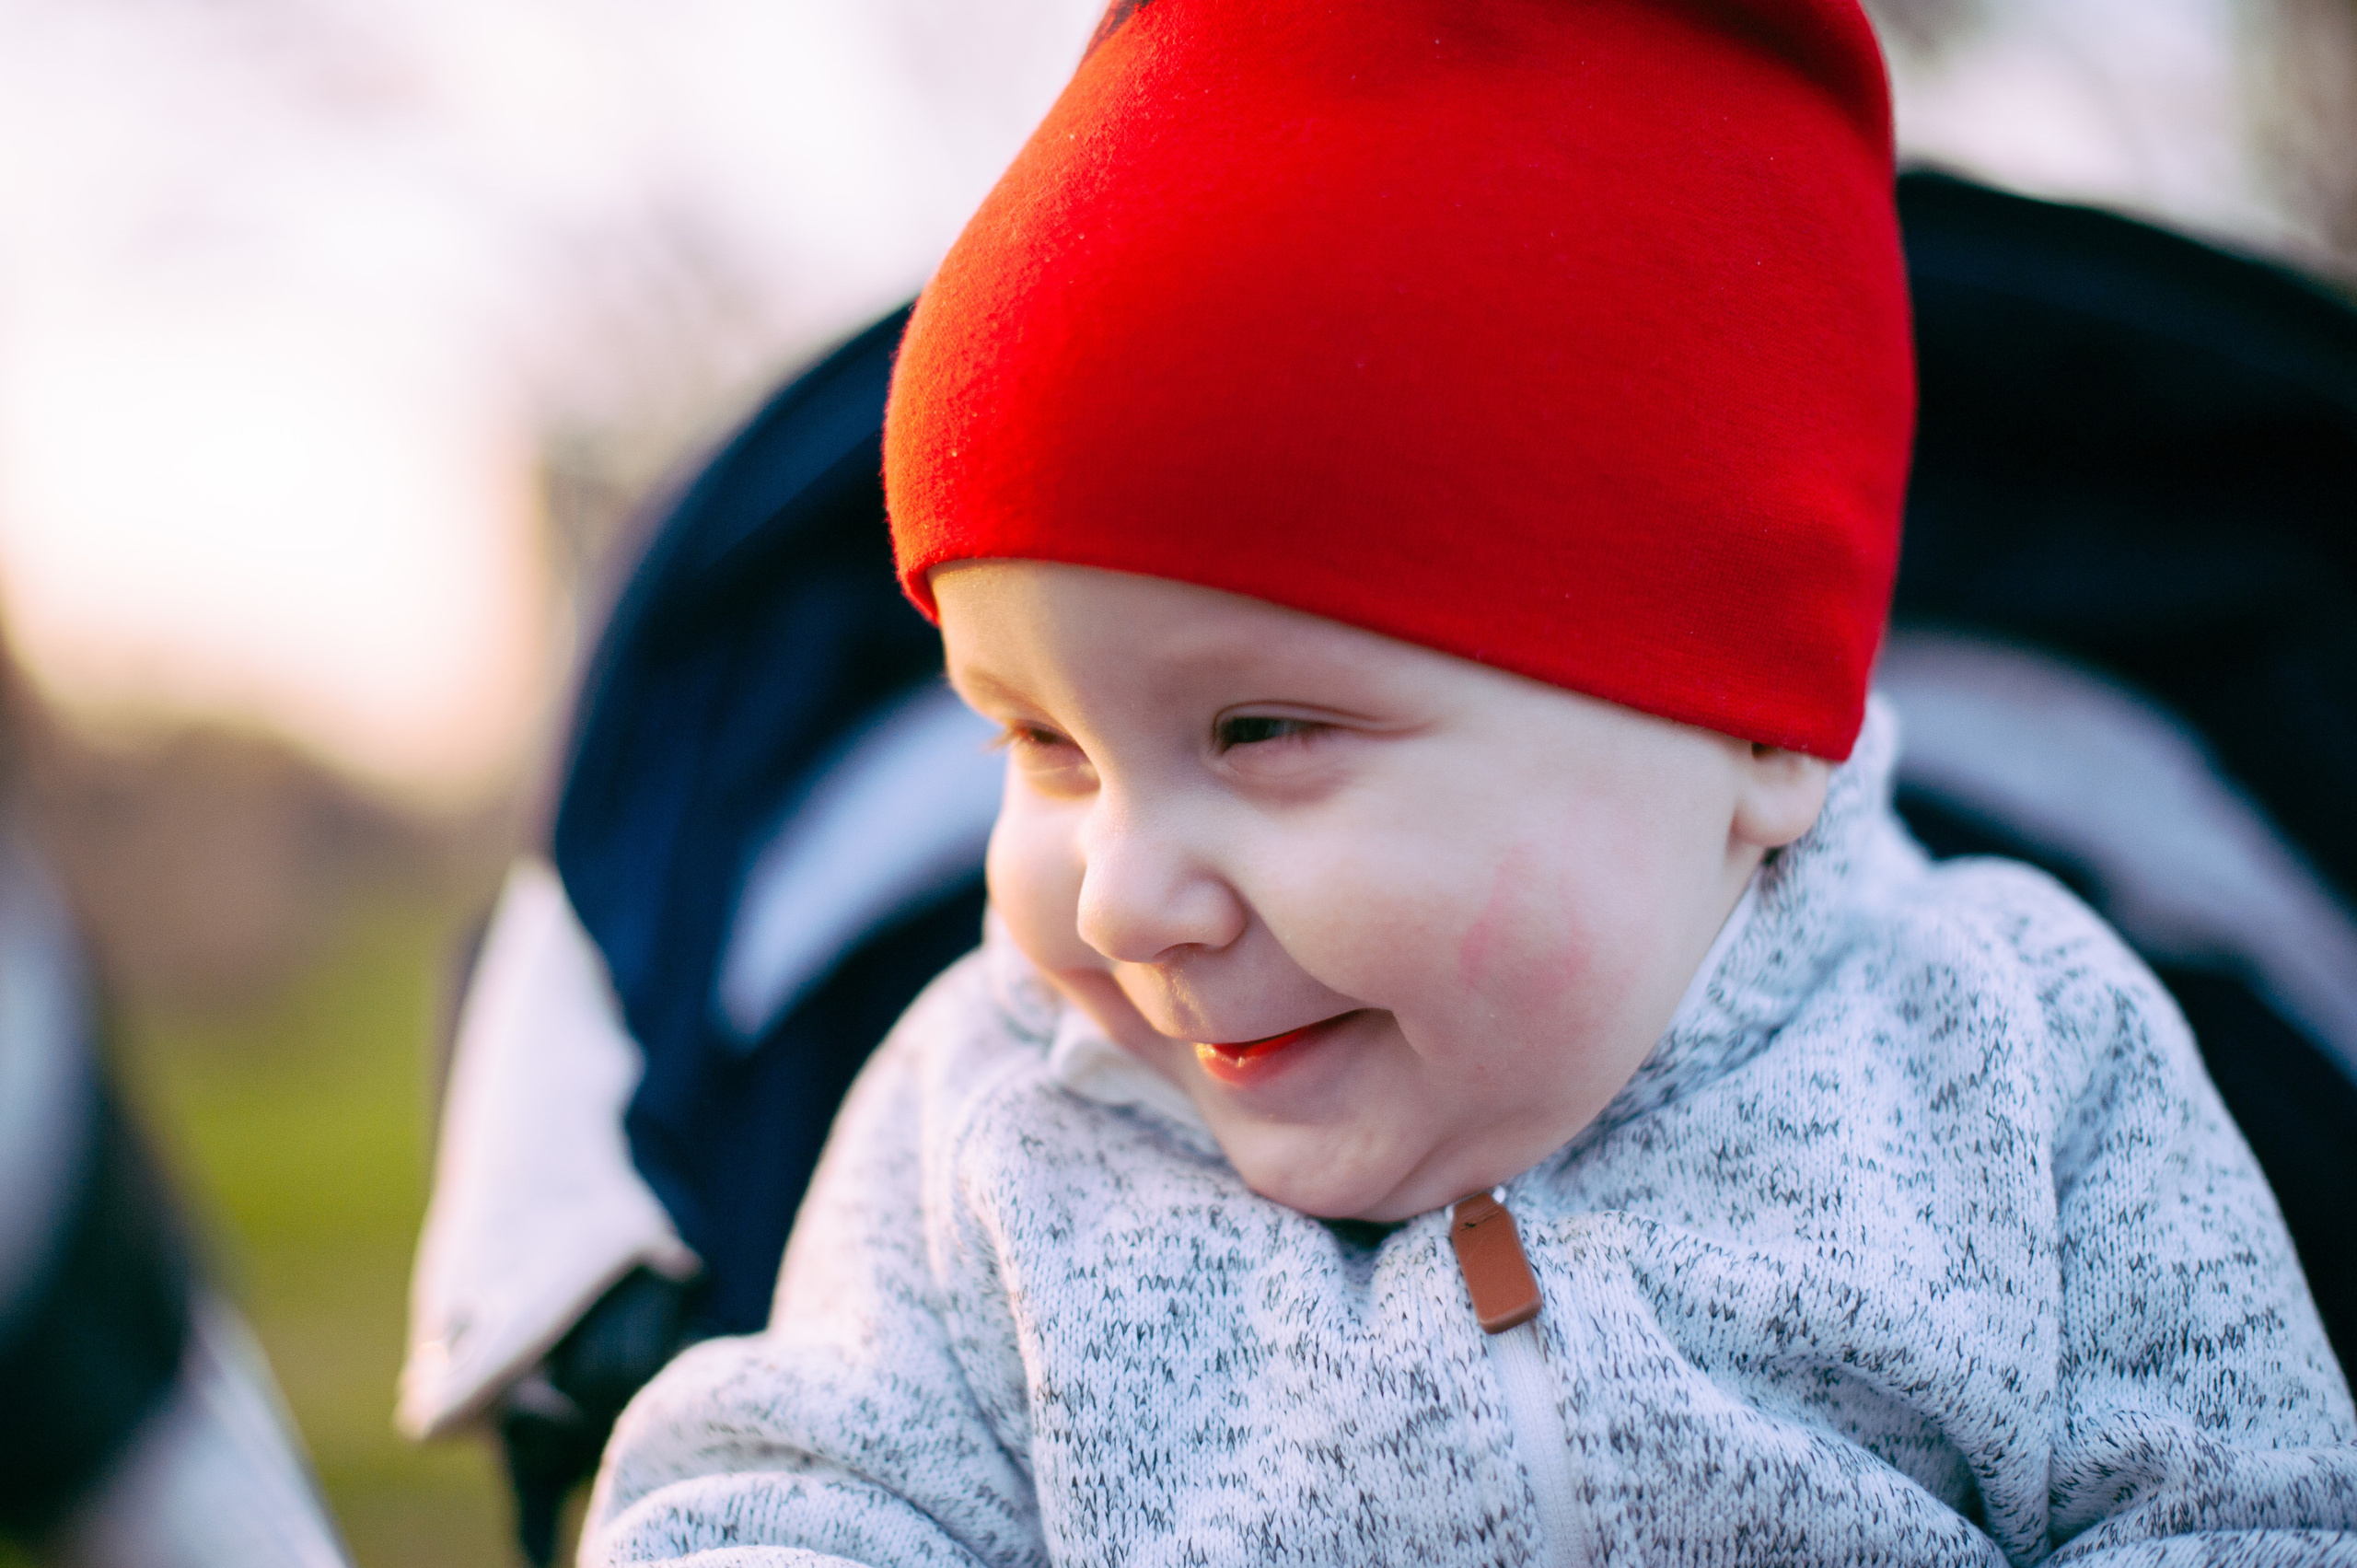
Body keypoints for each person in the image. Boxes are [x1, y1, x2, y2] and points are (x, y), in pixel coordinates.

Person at [585, 0, 2357, 1561]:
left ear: (1756, 735)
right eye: (1042, 746)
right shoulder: (992, 1133)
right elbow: (791, 1497)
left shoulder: (2010, 1049)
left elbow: (2243, 1508)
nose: (1119, 897)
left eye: (1261, 733)